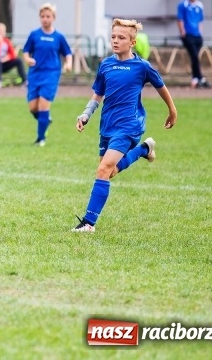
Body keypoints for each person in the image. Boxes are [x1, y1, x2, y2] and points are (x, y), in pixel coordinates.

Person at [72, 19, 177, 232]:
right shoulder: (106, 65)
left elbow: (161, 86)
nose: (116, 41)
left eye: (121, 38)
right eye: (113, 37)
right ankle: (143, 150)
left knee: (102, 170)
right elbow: (97, 95)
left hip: (129, 125)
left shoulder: (142, 67)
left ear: (132, 42)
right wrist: (86, 115)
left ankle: (88, 223)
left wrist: (172, 110)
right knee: (109, 172)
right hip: (107, 124)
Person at [22, 3, 72, 146]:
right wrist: (27, 59)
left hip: (51, 74)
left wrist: (68, 64)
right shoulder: (34, 35)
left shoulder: (59, 37)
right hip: (35, 74)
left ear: (53, 18)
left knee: (44, 105)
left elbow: (67, 53)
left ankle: (41, 138)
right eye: (42, 16)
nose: (45, 19)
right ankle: (46, 120)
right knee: (33, 108)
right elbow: (26, 51)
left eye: (48, 16)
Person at [177, 0, 210, 88]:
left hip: (197, 35)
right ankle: (200, 78)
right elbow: (180, 19)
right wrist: (182, 32)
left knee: (195, 57)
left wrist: (200, 32)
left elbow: (200, 20)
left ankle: (195, 79)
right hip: (188, 34)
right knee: (194, 56)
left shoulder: (200, 5)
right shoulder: (183, 4)